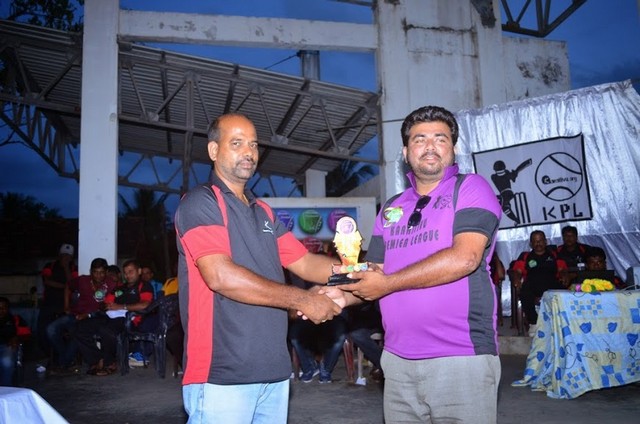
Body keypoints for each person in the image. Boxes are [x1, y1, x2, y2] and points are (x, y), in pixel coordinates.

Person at [333, 105, 503, 423]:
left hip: (460, 357)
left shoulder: (470, 188)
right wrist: (336, 294)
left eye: (440, 138)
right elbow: (375, 273)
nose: (430, 146)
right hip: (397, 361)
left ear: (453, 148)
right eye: (419, 139)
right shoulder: (391, 208)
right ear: (405, 152)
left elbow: (465, 258)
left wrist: (387, 283)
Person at [174, 112, 344, 423]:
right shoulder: (201, 202)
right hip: (222, 373)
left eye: (253, 144)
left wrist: (357, 271)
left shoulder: (263, 210)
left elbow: (305, 263)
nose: (249, 152)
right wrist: (303, 299)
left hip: (274, 371)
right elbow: (220, 276)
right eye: (237, 143)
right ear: (213, 150)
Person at [75, 259, 153, 376]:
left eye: (131, 272)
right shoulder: (119, 288)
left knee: (106, 330)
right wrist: (106, 306)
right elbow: (105, 303)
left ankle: (110, 363)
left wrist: (121, 306)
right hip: (110, 316)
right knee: (81, 328)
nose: (127, 275)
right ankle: (97, 360)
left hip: (129, 319)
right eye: (125, 273)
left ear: (139, 271)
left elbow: (145, 305)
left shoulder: (144, 286)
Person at [46, 257, 116, 374]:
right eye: (95, 272)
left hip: (94, 318)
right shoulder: (83, 280)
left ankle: (63, 363)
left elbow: (111, 304)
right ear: (90, 271)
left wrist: (89, 314)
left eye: (102, 272)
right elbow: (68, 286)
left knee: (77, 334)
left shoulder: (111, 284)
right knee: (50, 329)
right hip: (75, 315)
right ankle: (66, 359)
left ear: (106, 272)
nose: (98, 276)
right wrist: (66, 306)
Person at [510, 230, 569, 334]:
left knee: (564, 292)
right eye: (535, 241)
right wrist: (516, 278)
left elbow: (562, 269)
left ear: (545, 242)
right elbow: (517, 271)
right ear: (531, 244)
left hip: (551, 282)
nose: (538, 243)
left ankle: (561, 323)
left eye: (540, 240)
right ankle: (533, 323)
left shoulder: (554, 254)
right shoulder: (525, 256)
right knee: (525, 292)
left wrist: (564, 275)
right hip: (532, 284)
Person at [37, 243, 78, 359]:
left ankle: (62, 357)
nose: (66, 258)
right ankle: (48, 355)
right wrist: (64, 286)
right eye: (64, 255)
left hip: (66, 306)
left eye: (68, 256)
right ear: (59, 255)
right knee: (42, 330)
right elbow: (47, 281)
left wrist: (66, 268)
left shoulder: (74, 268)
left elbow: (72, 284)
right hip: (49, 303)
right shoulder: (50, 265)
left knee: (65, 332)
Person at [0, 297, 31, 386]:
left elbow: (27, 334)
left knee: (6, 361)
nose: (1, 310)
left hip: (7, 346)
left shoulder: (15, 319)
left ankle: (6, 389)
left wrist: (16, 338)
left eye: (4, 308)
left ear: (8, 308)